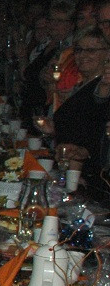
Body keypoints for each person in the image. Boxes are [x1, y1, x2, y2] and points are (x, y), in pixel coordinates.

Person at [46, 29, 110, 178]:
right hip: (69, 167)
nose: (83, 55)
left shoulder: (102, 87)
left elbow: (98, 128)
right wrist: (53, 129)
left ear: (107, 54)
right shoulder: (81, 85)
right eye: (79, 50)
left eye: (91, 50)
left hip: (86, 173)